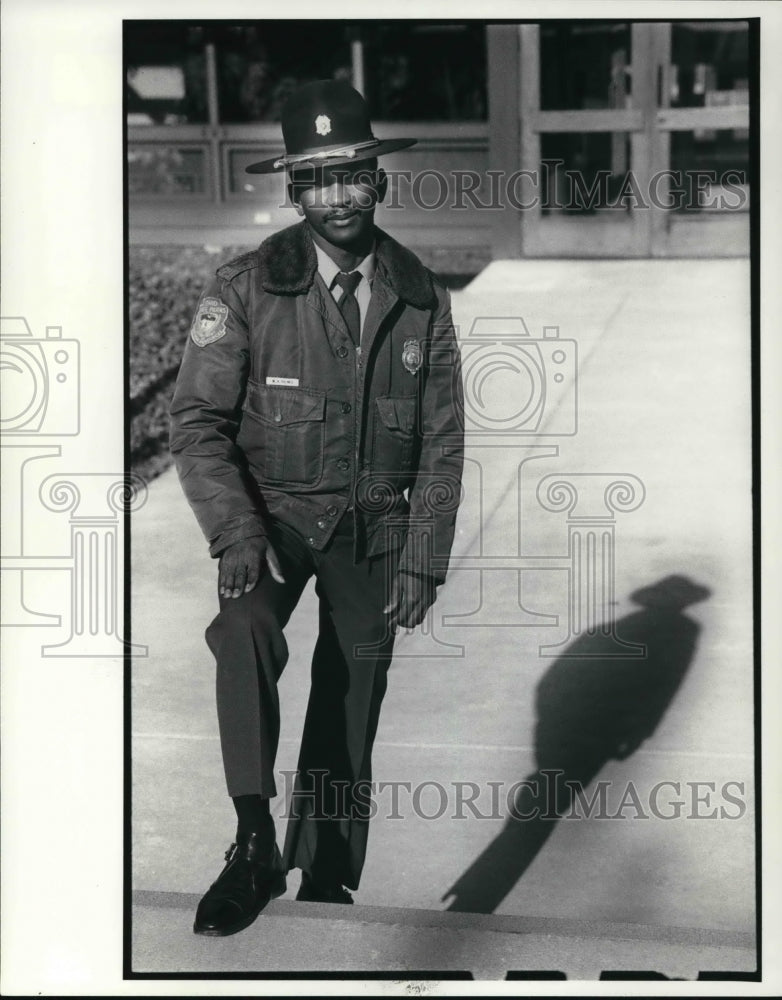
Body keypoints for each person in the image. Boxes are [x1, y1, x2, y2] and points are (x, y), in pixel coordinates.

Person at [169, 79, 464, 937]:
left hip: (373, 525)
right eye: (317, 178)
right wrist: (234, 531)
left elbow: (442, 441)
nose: (338, 196)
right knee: (244, 630)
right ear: (294, 190)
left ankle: (328, 865)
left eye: (353, 174)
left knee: (354, 679)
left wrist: (422, 555)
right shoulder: (247, 288)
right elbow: (195, 422)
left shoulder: (418, 298)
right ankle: (253, 837)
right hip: (270, 521)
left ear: (381, 180)